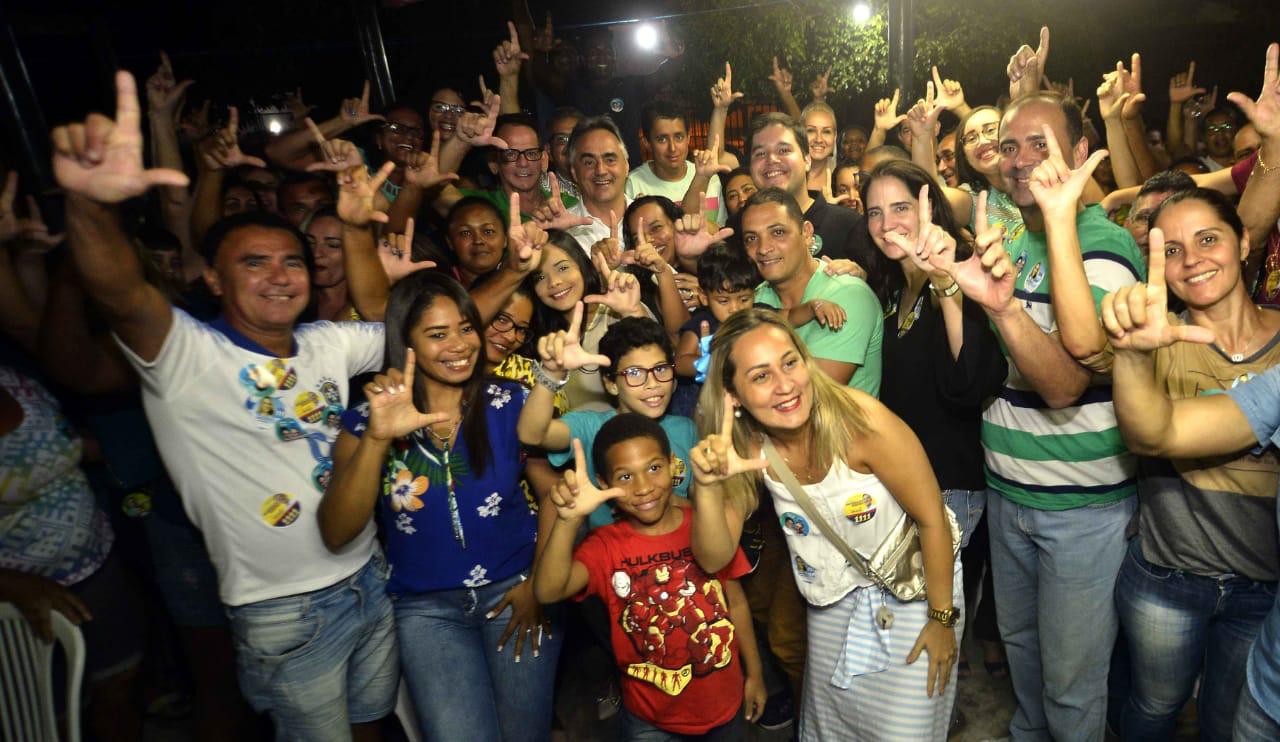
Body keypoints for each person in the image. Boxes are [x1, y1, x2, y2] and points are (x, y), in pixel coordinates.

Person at [50, 72, 399, 739]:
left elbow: (391, 326)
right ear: (212, 278)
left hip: (367, 575)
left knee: (372, 728)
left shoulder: (326, 343)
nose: (280, 276)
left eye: (291, 262)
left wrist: (355, 232)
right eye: (254, 263)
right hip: (284, 611)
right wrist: (92, 210)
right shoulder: (188, 358)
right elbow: (124, 296)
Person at [933, 91, 1145, 741]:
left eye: (1040, 145)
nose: (1020, 160)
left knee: (1072, 684)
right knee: (1022, 657)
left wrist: (1001, 309)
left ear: (1079, 155)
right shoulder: (1014, 239)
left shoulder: (1102, 246)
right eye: (1011, 146)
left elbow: (1063, 386)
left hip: (1081, 508)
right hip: (1010, 491)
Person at [687, 309, 963, 739]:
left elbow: (932, 520)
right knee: (837, 728)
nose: (785, 385)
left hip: (914, 590)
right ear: (733, 396)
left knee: (904, 732)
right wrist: (705, 487)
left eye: (790, 362)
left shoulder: (861, 422)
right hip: (830, 602)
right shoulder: (743, 448)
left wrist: (942, 620)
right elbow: (714, 557)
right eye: (760, 376)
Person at [321, 272, 560, 741]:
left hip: (515, 595)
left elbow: (555, 493)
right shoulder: (365, 422)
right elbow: (336, 530)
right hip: (426, 613)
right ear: (404, 341)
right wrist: (377, 439)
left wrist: (538, 585)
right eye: (437, 333)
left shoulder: (509, 401)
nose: (459, 344)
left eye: (466, 327)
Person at [1102, 190, 1280, 741]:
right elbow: (1150, 433)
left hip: (1263, 588)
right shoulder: (1158, 339)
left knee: (1226, 722)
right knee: (1154, 709)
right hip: (1168, 579)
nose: (1192, 259)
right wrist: (1132, 354)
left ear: (1244, 241)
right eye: (1172, 249)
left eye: (1209, 238)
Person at [859, 159, 1010, 680]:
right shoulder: (886, 291)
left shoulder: (964, 271)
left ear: (931, 209)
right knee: (909, 633)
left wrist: (946, 284)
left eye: (901, 207)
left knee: (929, 629)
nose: (886, 225)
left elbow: (969, 385)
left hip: (950, 487)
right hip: (902, 482)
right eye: (874, 212)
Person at [532, 415, 766, 739]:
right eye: (625, 476)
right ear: (603, 482)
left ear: (674, 465)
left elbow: (736, 604)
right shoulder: (604, 547)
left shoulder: (705, 527)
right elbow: (547, 591)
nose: (642, 488)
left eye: (654, 468)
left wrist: (754, 674)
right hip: (649, 720)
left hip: (725, 706)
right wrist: (569, 520)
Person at [518, 314, 696, 529]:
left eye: (660, 369)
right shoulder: (591, 427)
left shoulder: (686, 430)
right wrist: (552, 373)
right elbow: (532, 434)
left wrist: (663, 502)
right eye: (634, 373)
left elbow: (700, 507)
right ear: (611, 383)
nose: (653, 384)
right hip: (611, 556)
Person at [742, 188, 882, 395]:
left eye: (778, 232)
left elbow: (807, 396)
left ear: (807, 233)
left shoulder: (847, 294)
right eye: (751, 238)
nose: (763, 248)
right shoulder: (755, 298)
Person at [746, 112, 874, 267]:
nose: (772, 159)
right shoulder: (737, 230)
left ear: (807, 160)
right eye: (760, 153)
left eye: (784, 150)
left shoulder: (850, 225)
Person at [624, 101, 722, 218]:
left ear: (688, 137)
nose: (672, 148)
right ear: (647, 143)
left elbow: (721, 229)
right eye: (662, 139)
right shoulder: (634, 184)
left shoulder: (710, 177)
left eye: (679, 137)